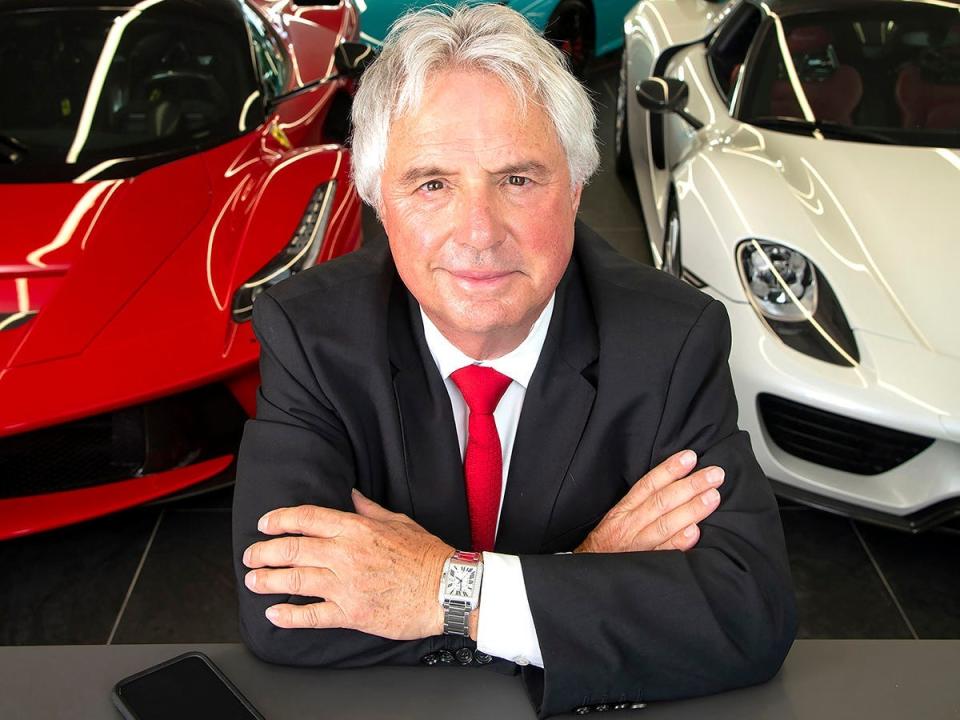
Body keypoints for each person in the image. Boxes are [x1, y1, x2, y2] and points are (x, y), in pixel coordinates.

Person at [232, 4, 797, 717]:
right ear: (378, 200)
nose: (478, 232)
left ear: (577, 189)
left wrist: (441, 591)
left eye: (520, 180)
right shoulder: (310, 334)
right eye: (432, 184)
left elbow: (748, 613)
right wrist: (580, 580)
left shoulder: (671, 340)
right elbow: (284, 609)